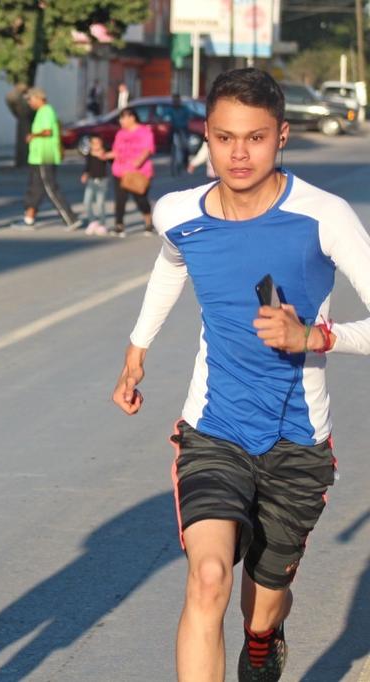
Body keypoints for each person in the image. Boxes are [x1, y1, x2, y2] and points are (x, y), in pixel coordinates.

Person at [112, 68, 370, 682]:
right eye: (225, 138)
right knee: (207, 578)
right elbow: (172, 262)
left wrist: (316, 336)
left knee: (262, 603)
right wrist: (138, 343)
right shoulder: (177, 212)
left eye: (255, 138)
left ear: (282, 135)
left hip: (298, 444)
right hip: (214, 430)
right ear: (207, 135)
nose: (238, 154)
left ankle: (263, 640)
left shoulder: (323, 217)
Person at [19, 87, 78, 230]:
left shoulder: (46, 111)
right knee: (35, 187)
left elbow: (47, 131)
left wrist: (33, 136)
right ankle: (29, 218)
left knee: (50, 188)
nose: (29, 103)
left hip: (45, 155)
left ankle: (70, 218)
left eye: (30, 99)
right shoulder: (41, 112)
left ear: (39, 98)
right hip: (38, 157)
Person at [108, 107, 155, 237]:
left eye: (123, 117)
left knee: (140, 199)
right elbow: (116, 151)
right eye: (120, 118)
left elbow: (148, 149)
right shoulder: (120, 134)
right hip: (120, 171)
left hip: (139, 172)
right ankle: (119, 226)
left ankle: (148, 222)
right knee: (120, 199)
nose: (120, 120)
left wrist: (139, 160)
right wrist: (104, 155)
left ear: (132, 117)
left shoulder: (145, 131)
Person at [80, 136, 110, 235]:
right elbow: (87, 166)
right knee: (86, 201)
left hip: (102, 181)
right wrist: (85, 174)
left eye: (98, 143)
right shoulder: (89, 154)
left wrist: (104, 155)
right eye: (93, 143)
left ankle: (102, 224)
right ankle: (92, 221)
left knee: (100, 203)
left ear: (101, 143)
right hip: (91, 180)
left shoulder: (104, 153)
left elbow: (111, 160)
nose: (95, 145)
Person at [169, 94, 191, 177]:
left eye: (176, 100)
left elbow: (189, 117)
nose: (175, 102)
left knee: (186, 147)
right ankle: (176, 166)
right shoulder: (170, 109)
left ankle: (185, 163)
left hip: (183, 130)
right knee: (175, 148)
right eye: (174, 100)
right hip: (174, 131)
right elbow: (166, 117)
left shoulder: (184, 109)